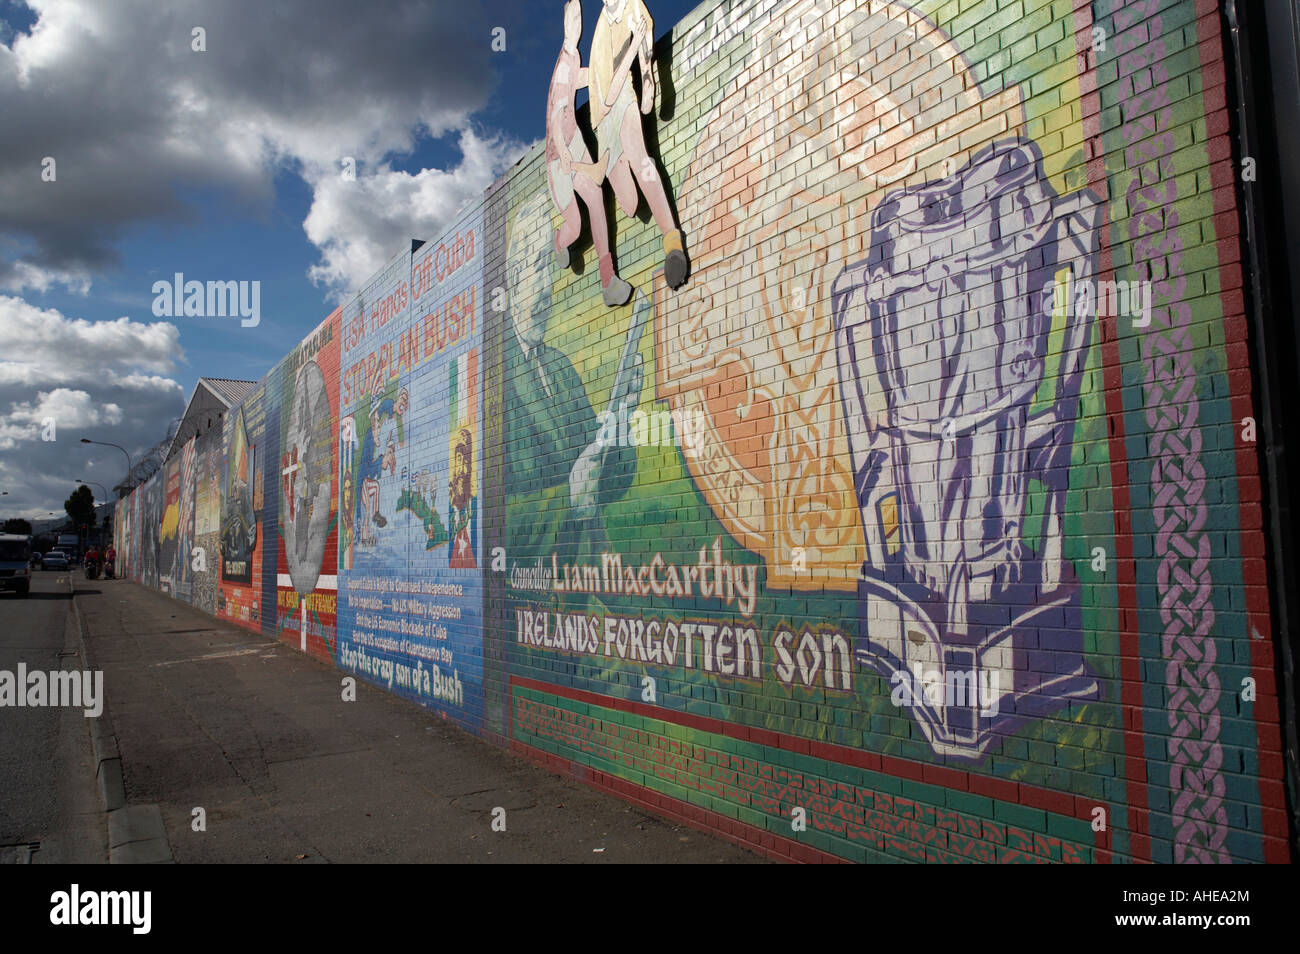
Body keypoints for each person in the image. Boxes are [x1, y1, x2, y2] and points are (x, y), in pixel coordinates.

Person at [588, 0, 689, 289]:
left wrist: (649, 82)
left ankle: (673, 244)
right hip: (602, 120)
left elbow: (645, 41)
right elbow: (605, 98)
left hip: (624, 97)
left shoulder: (633, 5)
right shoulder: (598, 36)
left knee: (640, 157)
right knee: (630, 204)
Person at [547, 0, 633, 307]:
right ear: (565, 22)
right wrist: (565, 151)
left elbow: (585, 78)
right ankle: (559, 242)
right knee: (575, 225)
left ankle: (608, 278)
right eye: (573, 16)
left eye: (580, 16)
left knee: (596, 199)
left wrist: (611, 65)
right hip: (559, 158)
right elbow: (557, 113)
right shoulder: (562, 63)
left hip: (576, 142)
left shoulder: (573, 57)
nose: (578, 22)